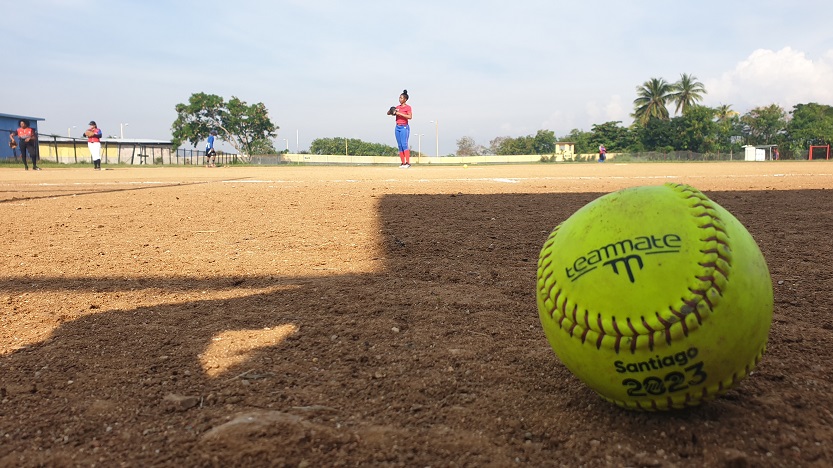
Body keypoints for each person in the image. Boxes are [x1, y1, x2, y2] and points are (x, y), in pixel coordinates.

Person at [390, 89, 412, 168]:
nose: (400, 99)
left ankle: (407, 163)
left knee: (404, 144)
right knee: (399, 145)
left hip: (404, 127)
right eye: (399, 98)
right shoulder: (397, 107)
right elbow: (388, 113)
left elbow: (410, 117)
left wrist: (399, 113)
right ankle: (403, 163)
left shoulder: (408, 107)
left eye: (401, 98)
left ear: (405, 99)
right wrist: (391, 110)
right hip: (397, 127)